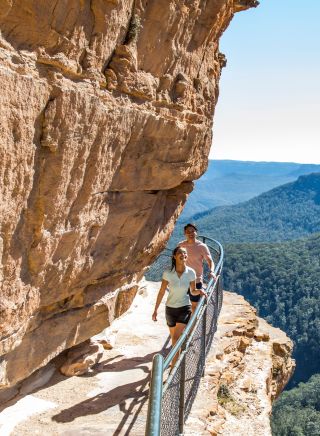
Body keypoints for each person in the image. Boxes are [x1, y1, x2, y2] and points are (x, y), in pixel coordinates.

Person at [152, 246, 206, 367]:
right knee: (174, 340)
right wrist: (155, 310)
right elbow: (161, 291)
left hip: (184, 307)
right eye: (180, 253)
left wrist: (200, 291)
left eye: (185, 253)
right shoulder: (168, 273)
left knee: (176, 338)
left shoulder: (191, 272)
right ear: (174, 256)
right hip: (170, 309)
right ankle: (176, 362)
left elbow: (192, 291)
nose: (183, 255)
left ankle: (172, 368)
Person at [178, 223, 216, 312]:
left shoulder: (202, 246)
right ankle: (185, 324)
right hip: (182, 279)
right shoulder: (181, 245)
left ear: (196, 233)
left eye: (192, 231)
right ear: (185, 233)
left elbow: (210, 261)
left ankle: (193, 324)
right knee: (182, 304)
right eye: (188, 232)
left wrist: (212, 271)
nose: (190, 233)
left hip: (196, 280)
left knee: (194, 305)